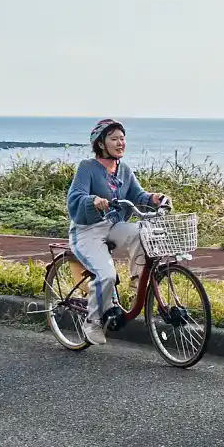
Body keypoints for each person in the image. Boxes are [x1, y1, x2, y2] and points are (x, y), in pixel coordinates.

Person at [66, 119, 169, 346]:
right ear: (101, 144)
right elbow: (75, 197)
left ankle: (137, 284)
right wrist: (93, 201)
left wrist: (152, 198)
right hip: (87, 230)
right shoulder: (87, 167)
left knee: (141, 233)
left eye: (122, 138)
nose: (120, 142)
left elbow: (138, 196)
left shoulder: (124, 170)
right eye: (114, 138)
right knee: (106, 275)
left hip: (113, 226)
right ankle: (92, 322)